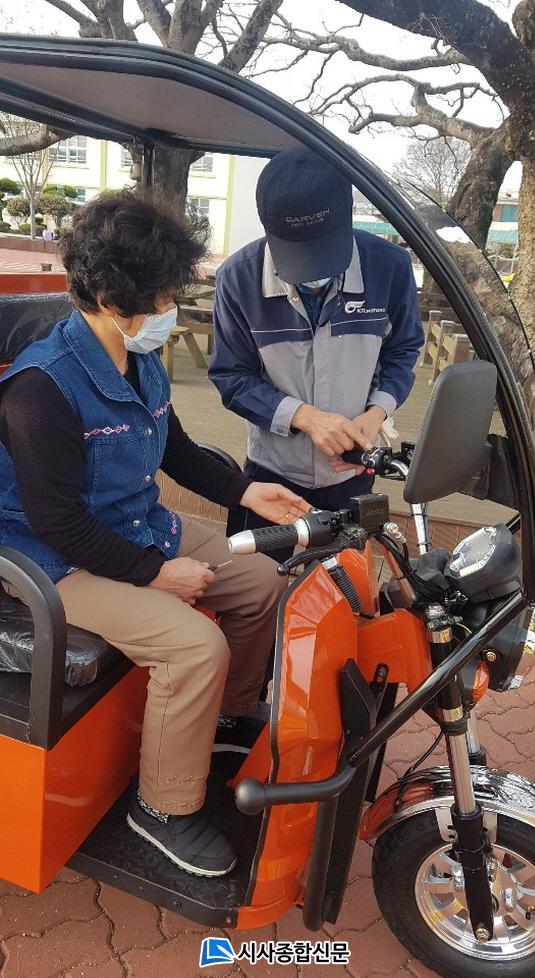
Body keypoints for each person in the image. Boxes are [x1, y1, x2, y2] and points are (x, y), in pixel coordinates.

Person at [0, 192, 309, 878]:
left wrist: (245, 491)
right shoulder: (40, 389)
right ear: (112, 299)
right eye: (164, 297)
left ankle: (221, 721)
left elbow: (176, 448)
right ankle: (162, 809)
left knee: (261, 580)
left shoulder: (137, 359)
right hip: (53, 561)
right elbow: (56, 522)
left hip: (136, 526)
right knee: (194, 646)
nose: (171, 309)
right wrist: (156, 574)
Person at [209, 148, 425, 562]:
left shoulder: (389, 267)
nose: (312, 273)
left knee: (345, 588)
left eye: (322, 252)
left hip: (350, 472)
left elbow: (403, 350)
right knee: (260, 585)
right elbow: (230, 377)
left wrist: (376, 413)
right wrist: (305, 418)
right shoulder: (238, 278)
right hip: (273, 471)